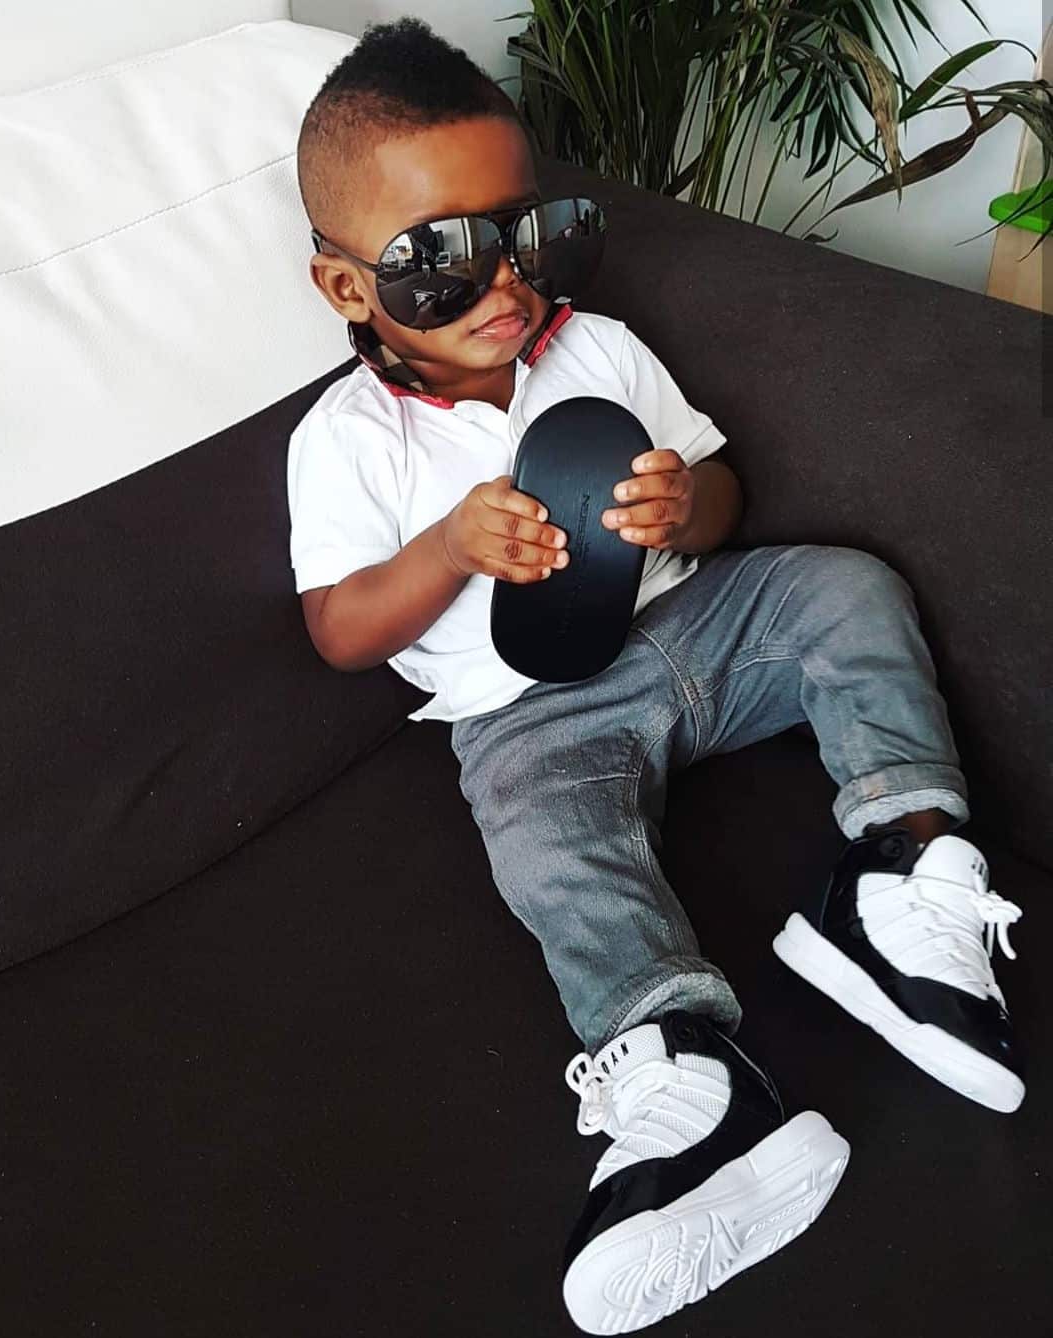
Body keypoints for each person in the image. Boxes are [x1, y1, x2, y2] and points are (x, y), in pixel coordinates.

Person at [287, 18, 1024, 1334]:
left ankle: (900, 872)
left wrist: (689, 505)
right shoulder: (346, 442)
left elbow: (723, 495)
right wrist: (448, 551)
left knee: (847, 586)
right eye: (439, 257)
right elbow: (340, 631)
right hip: (527, 716)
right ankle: (690, 1078)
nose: (503, 281)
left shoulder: (599, 348)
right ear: (346, 284)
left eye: (529, 234)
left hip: (694, 627)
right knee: (550, 845)